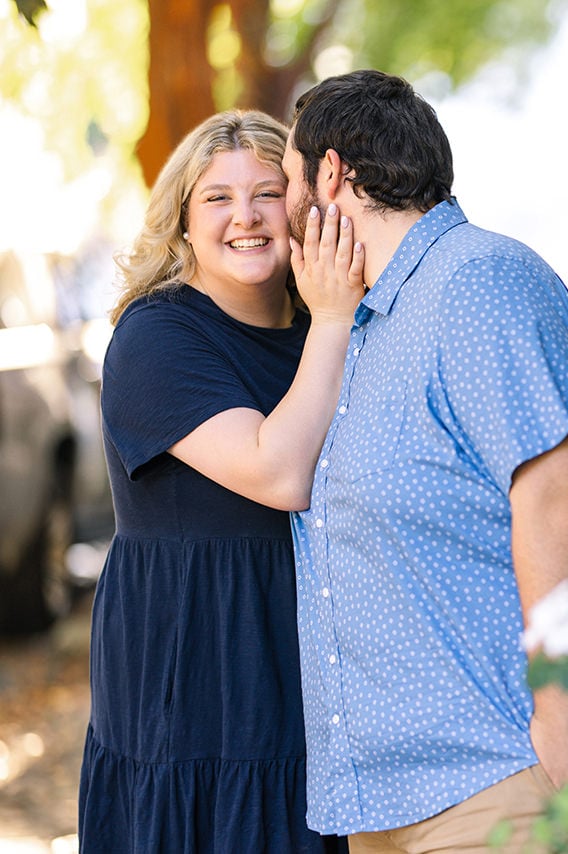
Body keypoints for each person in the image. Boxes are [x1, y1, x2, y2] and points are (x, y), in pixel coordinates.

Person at [282, 69, 568, 852]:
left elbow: (553, 502)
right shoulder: (364, 323)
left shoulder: (477, 283)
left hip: (499, 776)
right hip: (385, 800)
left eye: (288, 181)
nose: (285, 210)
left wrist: (564, 735)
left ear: (331, 173)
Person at [78, 109, 365, 852]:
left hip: (311, 640)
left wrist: (331, 318)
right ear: (181, 219)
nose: (246, 216)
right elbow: (279, 472)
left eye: (268, 192)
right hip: (196, 647)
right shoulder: (156, 336)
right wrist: (335, 318)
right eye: (217, 197)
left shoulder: (323, 327)